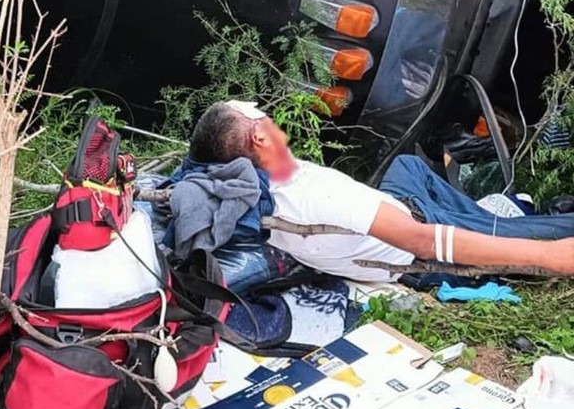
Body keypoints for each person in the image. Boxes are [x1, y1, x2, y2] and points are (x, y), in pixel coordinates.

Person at [185, 99, 574, 281]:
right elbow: (423, 243)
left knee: (408, 165)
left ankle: (494, 217)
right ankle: (517, 228)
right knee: (555, 238)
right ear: (258, 137)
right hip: (416, 235)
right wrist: (551, 257)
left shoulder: (261, 186)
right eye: (262, 116)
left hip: (398, 206)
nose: (270, 117)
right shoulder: (314, 200)